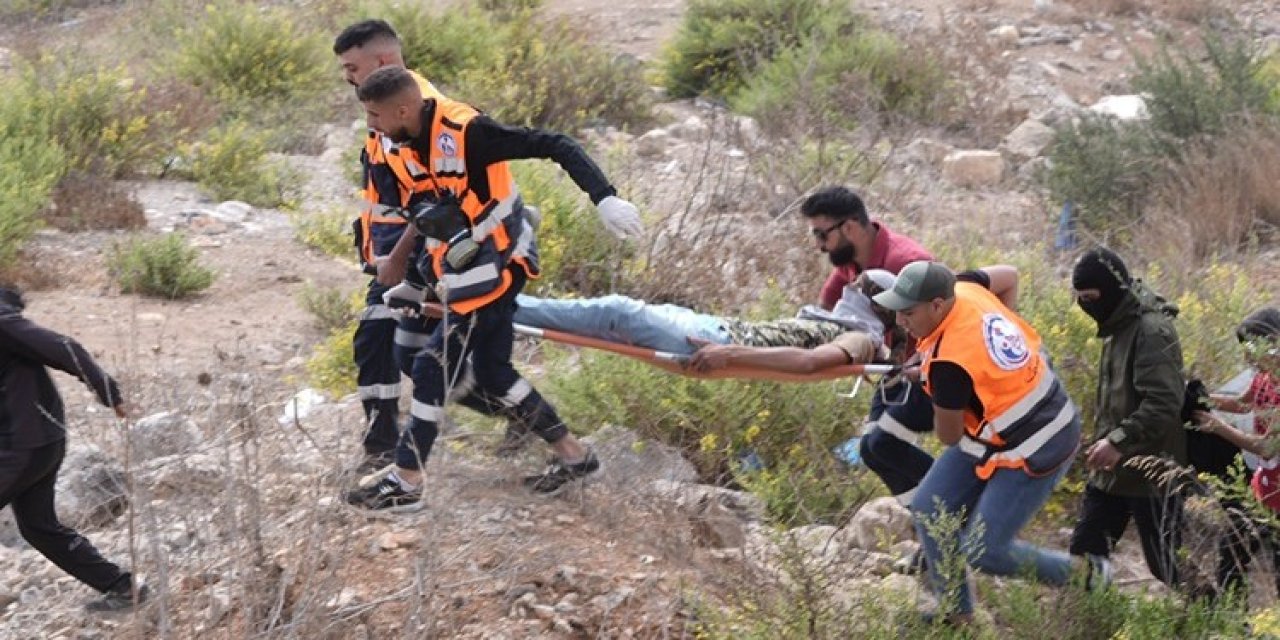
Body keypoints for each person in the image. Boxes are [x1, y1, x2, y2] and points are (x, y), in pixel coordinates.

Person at [345, 65, 643, 510]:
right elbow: (435, 212)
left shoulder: (470, 132)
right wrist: (413, 281)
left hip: (499, 264)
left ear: (403, 109)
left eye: (375, 115)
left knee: (431, 368)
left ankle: (407, 481)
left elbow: (555, 144)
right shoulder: (406, 143)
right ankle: (575, 457)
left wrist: (605, 196)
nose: (371, 125)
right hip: (468, 265)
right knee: (493, 372)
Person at [873, 261, 1082, 624]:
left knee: (986, 550)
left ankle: (1089, 577)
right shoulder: (964, 286)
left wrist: (927, 382)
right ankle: (958, 617)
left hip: (1040, 440)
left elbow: (949, 435)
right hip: (998, 428)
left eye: (908, 313)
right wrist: (999, 344)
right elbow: (1010, 275)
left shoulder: (949, 368)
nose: (902, 322)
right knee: (929, 507)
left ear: (937, 305)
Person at [333, 20, 447, 473]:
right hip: (390, 256)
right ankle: (516, 412)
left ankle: (382, 445)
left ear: (381, 61)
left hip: (419, 257)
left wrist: (402, 258)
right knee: (410, 349)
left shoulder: (421, 113)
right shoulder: (384, 106)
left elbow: (439, 196)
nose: (347, 77)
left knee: (382, 339)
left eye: (351, 67)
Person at [0, 286, 147, 611]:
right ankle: (125, 588)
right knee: (39, 527)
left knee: (39, 527)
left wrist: (110, 393)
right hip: (35, 442)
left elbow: (66, 348)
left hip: (24, 444)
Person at [799, 186, 937, 508]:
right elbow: (827, 310)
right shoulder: (850, 261)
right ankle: (932, 522)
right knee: (872, 451)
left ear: (848, 228)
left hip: (933, 366)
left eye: (821, 235)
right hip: (897, 367)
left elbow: (947, 317)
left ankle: (957, 507)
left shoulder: (909, 264)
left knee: (884, 445)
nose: (819, 245)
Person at [1068, 247, 1186, 589]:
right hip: (1112, 471)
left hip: (1152, 471)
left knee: (1170, 565)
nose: (1085, 305)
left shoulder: (1150, 330)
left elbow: (1164, 402)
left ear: (1112, 289)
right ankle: (1088, 624)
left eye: (1090, 297)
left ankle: (1221, 622)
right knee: (1086, 555)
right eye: (1079, 298)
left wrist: (1118, 441)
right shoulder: (1116, 323)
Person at [1193, 307, 1280, 596]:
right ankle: (1232, 619)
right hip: (1265, 486)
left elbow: (1267, 447)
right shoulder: (1265, 378)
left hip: (1274, 486)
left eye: (1252, 349)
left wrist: (1218, 427)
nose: (1247, 358)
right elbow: (1245, 403)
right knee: (1233, 549)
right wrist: (1205, 399)